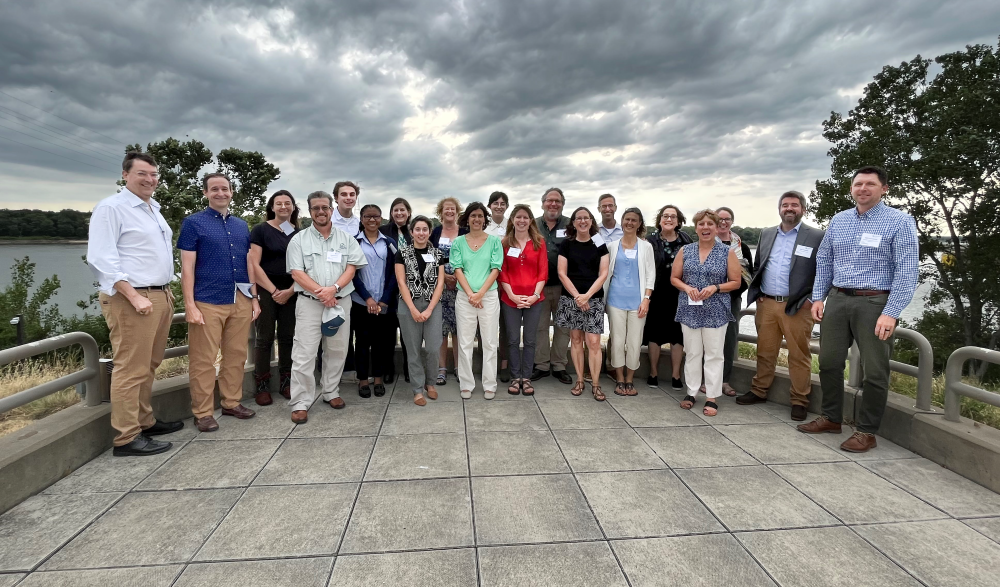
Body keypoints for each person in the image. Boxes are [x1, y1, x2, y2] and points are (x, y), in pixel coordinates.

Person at [797, 166, 919, 453]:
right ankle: (831, 417)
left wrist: (891, 311)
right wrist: (818, 298)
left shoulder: (899, 222)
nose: (863, 189)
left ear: (884, 189)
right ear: (851, 189)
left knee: (875, 371)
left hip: (875, 303)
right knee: (828, 362)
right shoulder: (839, 221)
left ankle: (866, 431)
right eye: (858, 184)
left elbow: (906, 271)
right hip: (838, 300)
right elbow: (825, 260)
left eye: (870, 184)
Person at [87, 151, 183, 456]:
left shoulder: (152, 208)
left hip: (158, 293)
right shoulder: (112, 208)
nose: (150, 180)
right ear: (125, 175)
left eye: (154, 175)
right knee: (131, 367)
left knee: (149, 364)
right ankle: (126, 438)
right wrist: (133, 295)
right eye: (142, 174)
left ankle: (145, 420)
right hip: (132, 297)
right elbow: (101, 258)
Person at [178, 173, 260, 432]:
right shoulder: (193, 223)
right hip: (207, 299)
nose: (220, 193)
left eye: (224, 189)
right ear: (205, 193)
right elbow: (187, 267)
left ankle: (231, 402)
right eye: (214, 189)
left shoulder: (241, 225)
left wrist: (254, 299)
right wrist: (189, 304)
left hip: (240, 298)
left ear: (231, 192)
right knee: (203, 359)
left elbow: (249, 265)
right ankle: (202, 412)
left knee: (236, 356)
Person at [739, 191, 825, 421]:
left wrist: (814, 299)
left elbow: (824, 270)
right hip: (767, 303)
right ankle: (759, 390)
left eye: (794, 205)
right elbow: (759, 265)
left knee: (799, 355)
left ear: (803, 209)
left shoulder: (816, 236)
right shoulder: (767, 234)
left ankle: (799, 400)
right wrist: (756, 292)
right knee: (765, 351)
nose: (789, 208)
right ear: (779, 209)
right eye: (785, 205)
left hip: (798, 306)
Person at [285, 191, 368, 424]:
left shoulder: (346, 238)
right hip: (310, 304)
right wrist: (323, 293)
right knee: (304, 353)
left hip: (340, 301)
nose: (321, 212)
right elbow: (297, 273)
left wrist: (333, 289)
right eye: (315, 208)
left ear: (331, 209)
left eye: (325, 207)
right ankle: (301, 402)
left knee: (338, 349)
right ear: (309, 212)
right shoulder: (298, 240)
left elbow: (352, 268)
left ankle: (331, 391)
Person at [671, 209, 741, 417]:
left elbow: (736, 282)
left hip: (716, 310)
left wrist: (715, 288)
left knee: (714, 354)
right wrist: (686, 288)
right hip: (689, 308)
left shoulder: (726, 252)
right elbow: (674, 278)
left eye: (710, 224)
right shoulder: (685, 250)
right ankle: (691, 392)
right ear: (696, 227)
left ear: (717, 227)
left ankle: (712, 396)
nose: (705, 228)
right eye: (701, 224)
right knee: (692, 352)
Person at [248, 190, 300, 406]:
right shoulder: (260, 230)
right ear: (272, 207)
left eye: (287, 203)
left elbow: (304, 266)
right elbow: (254, 263)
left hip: (292, 290)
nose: (283, 207)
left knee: (288, 337)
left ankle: (286, 381)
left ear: (293, 207)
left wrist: (289, 290)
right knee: (264, 338)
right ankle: (262, 385)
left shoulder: (298, 232)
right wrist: (273, 290)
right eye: (278, 203)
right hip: (267, 290)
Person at [451, 202, 504, 399]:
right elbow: (457, 269)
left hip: (488, 297)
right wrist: (471, 294)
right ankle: (466, 383)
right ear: (467, 218)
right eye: (473, 215)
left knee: (490, 341)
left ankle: (490, 383)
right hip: (465, 298)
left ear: (485, 218)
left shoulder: (494, 242)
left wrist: (480, 293)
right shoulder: (458, 242)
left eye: (480, 216)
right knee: (465, 342)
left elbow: (496, 268)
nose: (477, 219)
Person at [557, 207, 610, 400]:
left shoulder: (599, 242)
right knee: (576, 340)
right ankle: (579, 380)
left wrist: (587, 296)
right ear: (573, 222)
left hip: (593, 298)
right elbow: (562, 273)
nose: (582, 221)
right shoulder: (567, 244)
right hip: (571, 298)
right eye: (578, 218)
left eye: (586, 218)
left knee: (594, 342)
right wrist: (578, 297)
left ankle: (595, 384)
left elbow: (603, 273)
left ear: (591, 221)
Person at [603, 208, 655, 396]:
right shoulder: (612, 246)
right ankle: (619, 378)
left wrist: (646, 299)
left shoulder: (646, 247)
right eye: (627, 219)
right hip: (615, 300)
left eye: (634, 220)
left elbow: (651, 275)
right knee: (617, 341)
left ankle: (630, 379)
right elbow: (606, 274)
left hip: (638, 302)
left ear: (639, 223)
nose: (630, 223)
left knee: (634, 341)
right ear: (622, 221)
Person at [395, 216, 446, 405]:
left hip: (433, 304)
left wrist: (430, 308)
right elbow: (401, 282)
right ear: (411, 232)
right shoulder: (402, 253)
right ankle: (417, 389)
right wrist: (413, 309)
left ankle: (430, 383)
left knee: (433, 348)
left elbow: (440, 282)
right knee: (414, 350)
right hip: (409, 305)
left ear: (430, 232)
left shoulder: (437, 253)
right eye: (417, 229)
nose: (421, 233)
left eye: (425, 229)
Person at [498, 204, 548, 396]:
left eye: (525, 217)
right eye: (518, 217)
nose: (521, 220)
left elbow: (542, 271)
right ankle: (514, 377)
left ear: (530, 221)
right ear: (512, 220)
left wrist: (534, 296)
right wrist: (512, 295)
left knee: (529, 340)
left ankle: (526, 378)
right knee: (511, 339)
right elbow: (503, 272)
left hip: (534, 298)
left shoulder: (539, 242)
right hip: (510, 298)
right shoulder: (505, 243)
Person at [351, 204, 398, 398]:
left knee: (381, 342)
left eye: (376, 216)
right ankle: (363, 379)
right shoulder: (354, 242)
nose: (372, 220)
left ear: (381, 219)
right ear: (361, 219)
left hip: (383, 303)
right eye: (368, 216)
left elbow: (396, 272)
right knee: (361, 342)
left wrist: (384, 300)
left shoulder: (389, 242)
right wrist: (368, 299)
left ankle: (378, 378)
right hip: (361, 302)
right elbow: (351, 274)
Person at [643, 205, 692, 389]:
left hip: (679, 294)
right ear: (660, 219)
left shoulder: (686, 240)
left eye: (673, 216)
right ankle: (653, 373)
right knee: (654, 334)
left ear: (678, 220)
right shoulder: (650, 241)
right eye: (665, 216)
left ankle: (676, 375)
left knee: (677, 335)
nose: (669, 219)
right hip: (656, 293)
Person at [531, 188, 573, 384]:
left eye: (557, 201)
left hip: (565, 286)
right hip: (538, 286)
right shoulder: (533, 225)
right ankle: (541, 365)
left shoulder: (571, 225)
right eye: (549, 201)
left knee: (562, 327)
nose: (553, 204)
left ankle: (559, 365)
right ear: (543, 203)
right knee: (539, 327)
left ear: (562, 204)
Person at [715, 207, 753, 396]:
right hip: (708, 299)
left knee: (729, 340)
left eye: (727, 219)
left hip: (732, 299)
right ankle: (706, 380)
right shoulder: (705, 243)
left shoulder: (742, 247)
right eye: (719, 219)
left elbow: (748, 275)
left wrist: (729, 289)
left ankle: (724, 381)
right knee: (708, 341)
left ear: (732, 221)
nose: (723, 222)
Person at [430, 197, 468, 385]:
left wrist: (458, 278)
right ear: (441, 212)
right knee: (442, 330)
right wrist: (445, 277)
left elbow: (469, 259)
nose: (450, 212)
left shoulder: (465, 232)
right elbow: (430, 258)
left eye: (453, 209)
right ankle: (442, 368)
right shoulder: (435, 232)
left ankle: (460, 368)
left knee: (460, 330)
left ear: (457, 211)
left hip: (462, 288)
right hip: (441, 287)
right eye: (446, 209)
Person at [380, 197, 413, 384]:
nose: (399, 213)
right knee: (388, 333)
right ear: (391, 213)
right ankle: (388, 369)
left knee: (409, 332)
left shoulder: (415, 231)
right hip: (388, 289)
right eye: (395, 210)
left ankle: (410, 368)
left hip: (410, 288)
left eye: (402, 210)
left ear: (408, 212)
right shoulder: (383, 231)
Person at [485, 191, 511, 382]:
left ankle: (504, 363)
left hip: (509, 282)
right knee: (484, 326)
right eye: (496, 203)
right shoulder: (483, 226)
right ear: (490, 206)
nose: (499, 206)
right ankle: (485, 364)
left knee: (506, 325)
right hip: (487, 282)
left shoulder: (512, 225)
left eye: (503, 203)